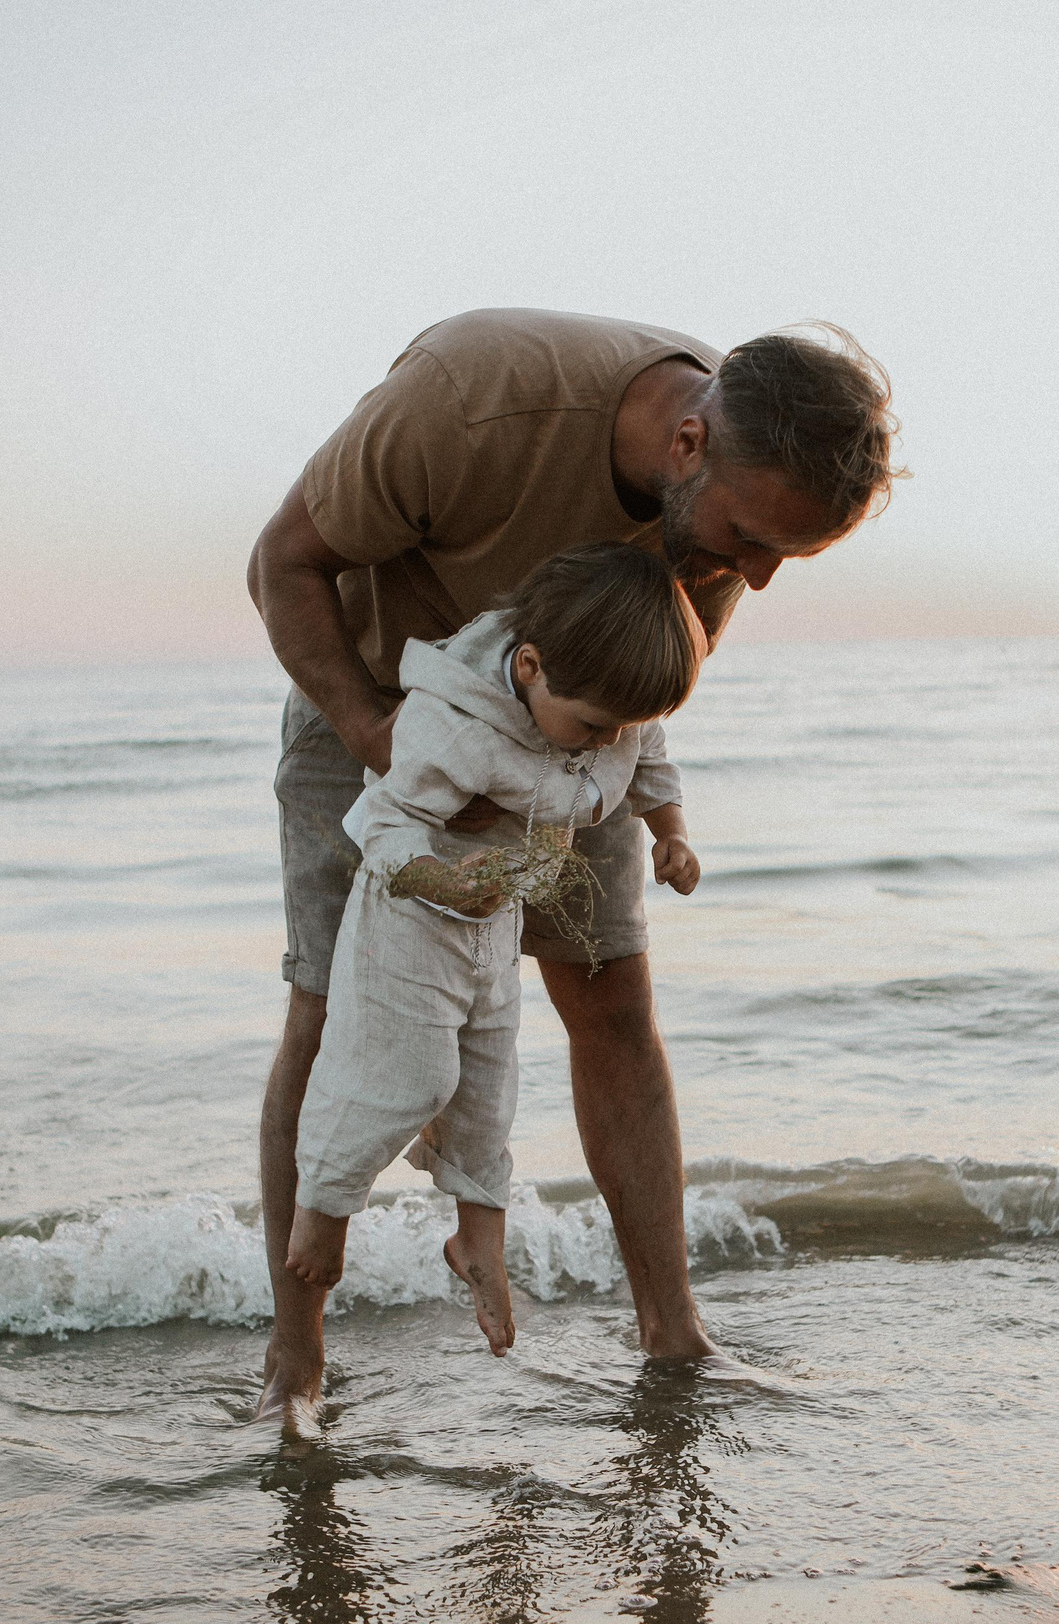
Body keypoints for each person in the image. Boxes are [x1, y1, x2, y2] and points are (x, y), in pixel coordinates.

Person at [247, 307, 899, 1434]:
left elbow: (661, 686)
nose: (753, 575)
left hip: (580, 719)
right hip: (380, 702)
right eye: (750, 541)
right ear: (688, 444)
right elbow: (284, 563)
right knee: (329, 1007)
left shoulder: (725, 519)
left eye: (779, 557)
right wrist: (380, 737)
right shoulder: (473, 399)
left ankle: (673, 1334)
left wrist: (641, 807)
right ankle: (294, 1357)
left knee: (612, 998)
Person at [283, 543, 706, 1357]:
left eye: (617, 726)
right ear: (530, 665)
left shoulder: (607, 704)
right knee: (408, 1075)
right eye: (590, 725)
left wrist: (672, 834)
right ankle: (323, 1205)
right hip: (407, 913)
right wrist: (443, 883)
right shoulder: (452, 721)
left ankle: (478, 1237)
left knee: (488, 1086)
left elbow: (647, 756)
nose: (604, 742)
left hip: (492, 912)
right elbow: (385, 824)